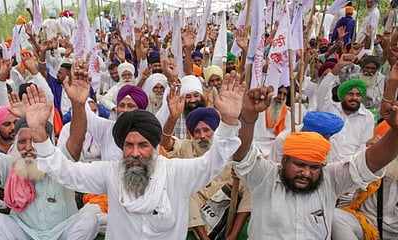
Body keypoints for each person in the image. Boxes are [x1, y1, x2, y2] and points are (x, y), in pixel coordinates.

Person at [33, 67, 247, 239]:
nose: (134, 153)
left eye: (143, 145)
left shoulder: (175, 173)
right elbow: (66, 172)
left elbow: (212, 162)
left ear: (154, 146)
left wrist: (228, 122)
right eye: (128, 145)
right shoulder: (112, 172)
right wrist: (39, 134)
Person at [230, 60, 398, 239]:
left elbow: (372, 161)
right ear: (284, 160)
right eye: (300, 164)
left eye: (314, 167)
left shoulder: (330, 179)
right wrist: (248, 116)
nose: (306, 173)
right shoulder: (265, 177)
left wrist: (396, 131)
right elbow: (242, 154)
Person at [0, 75, 100, 240]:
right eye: (22, 141)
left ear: (48, 142)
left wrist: (79, 105)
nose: (29, 147)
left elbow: (77, 137)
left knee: (89, 220)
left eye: (35, 141)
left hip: (64, 231)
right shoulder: (9, 165)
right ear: (15, 145)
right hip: (25, 233)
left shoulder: (61, 160)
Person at [161, 105, 251, 240]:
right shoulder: (185, 146)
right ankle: (204, 237)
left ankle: (233, 236)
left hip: (226, 199)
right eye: (197, 132)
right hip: (197, 204)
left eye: (206, 130)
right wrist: (172, 119)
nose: (202, 136)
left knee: (249, 184)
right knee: (184, 190)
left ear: (215, 131)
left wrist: (241, 173)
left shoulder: (229, 148)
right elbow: (166, 143)